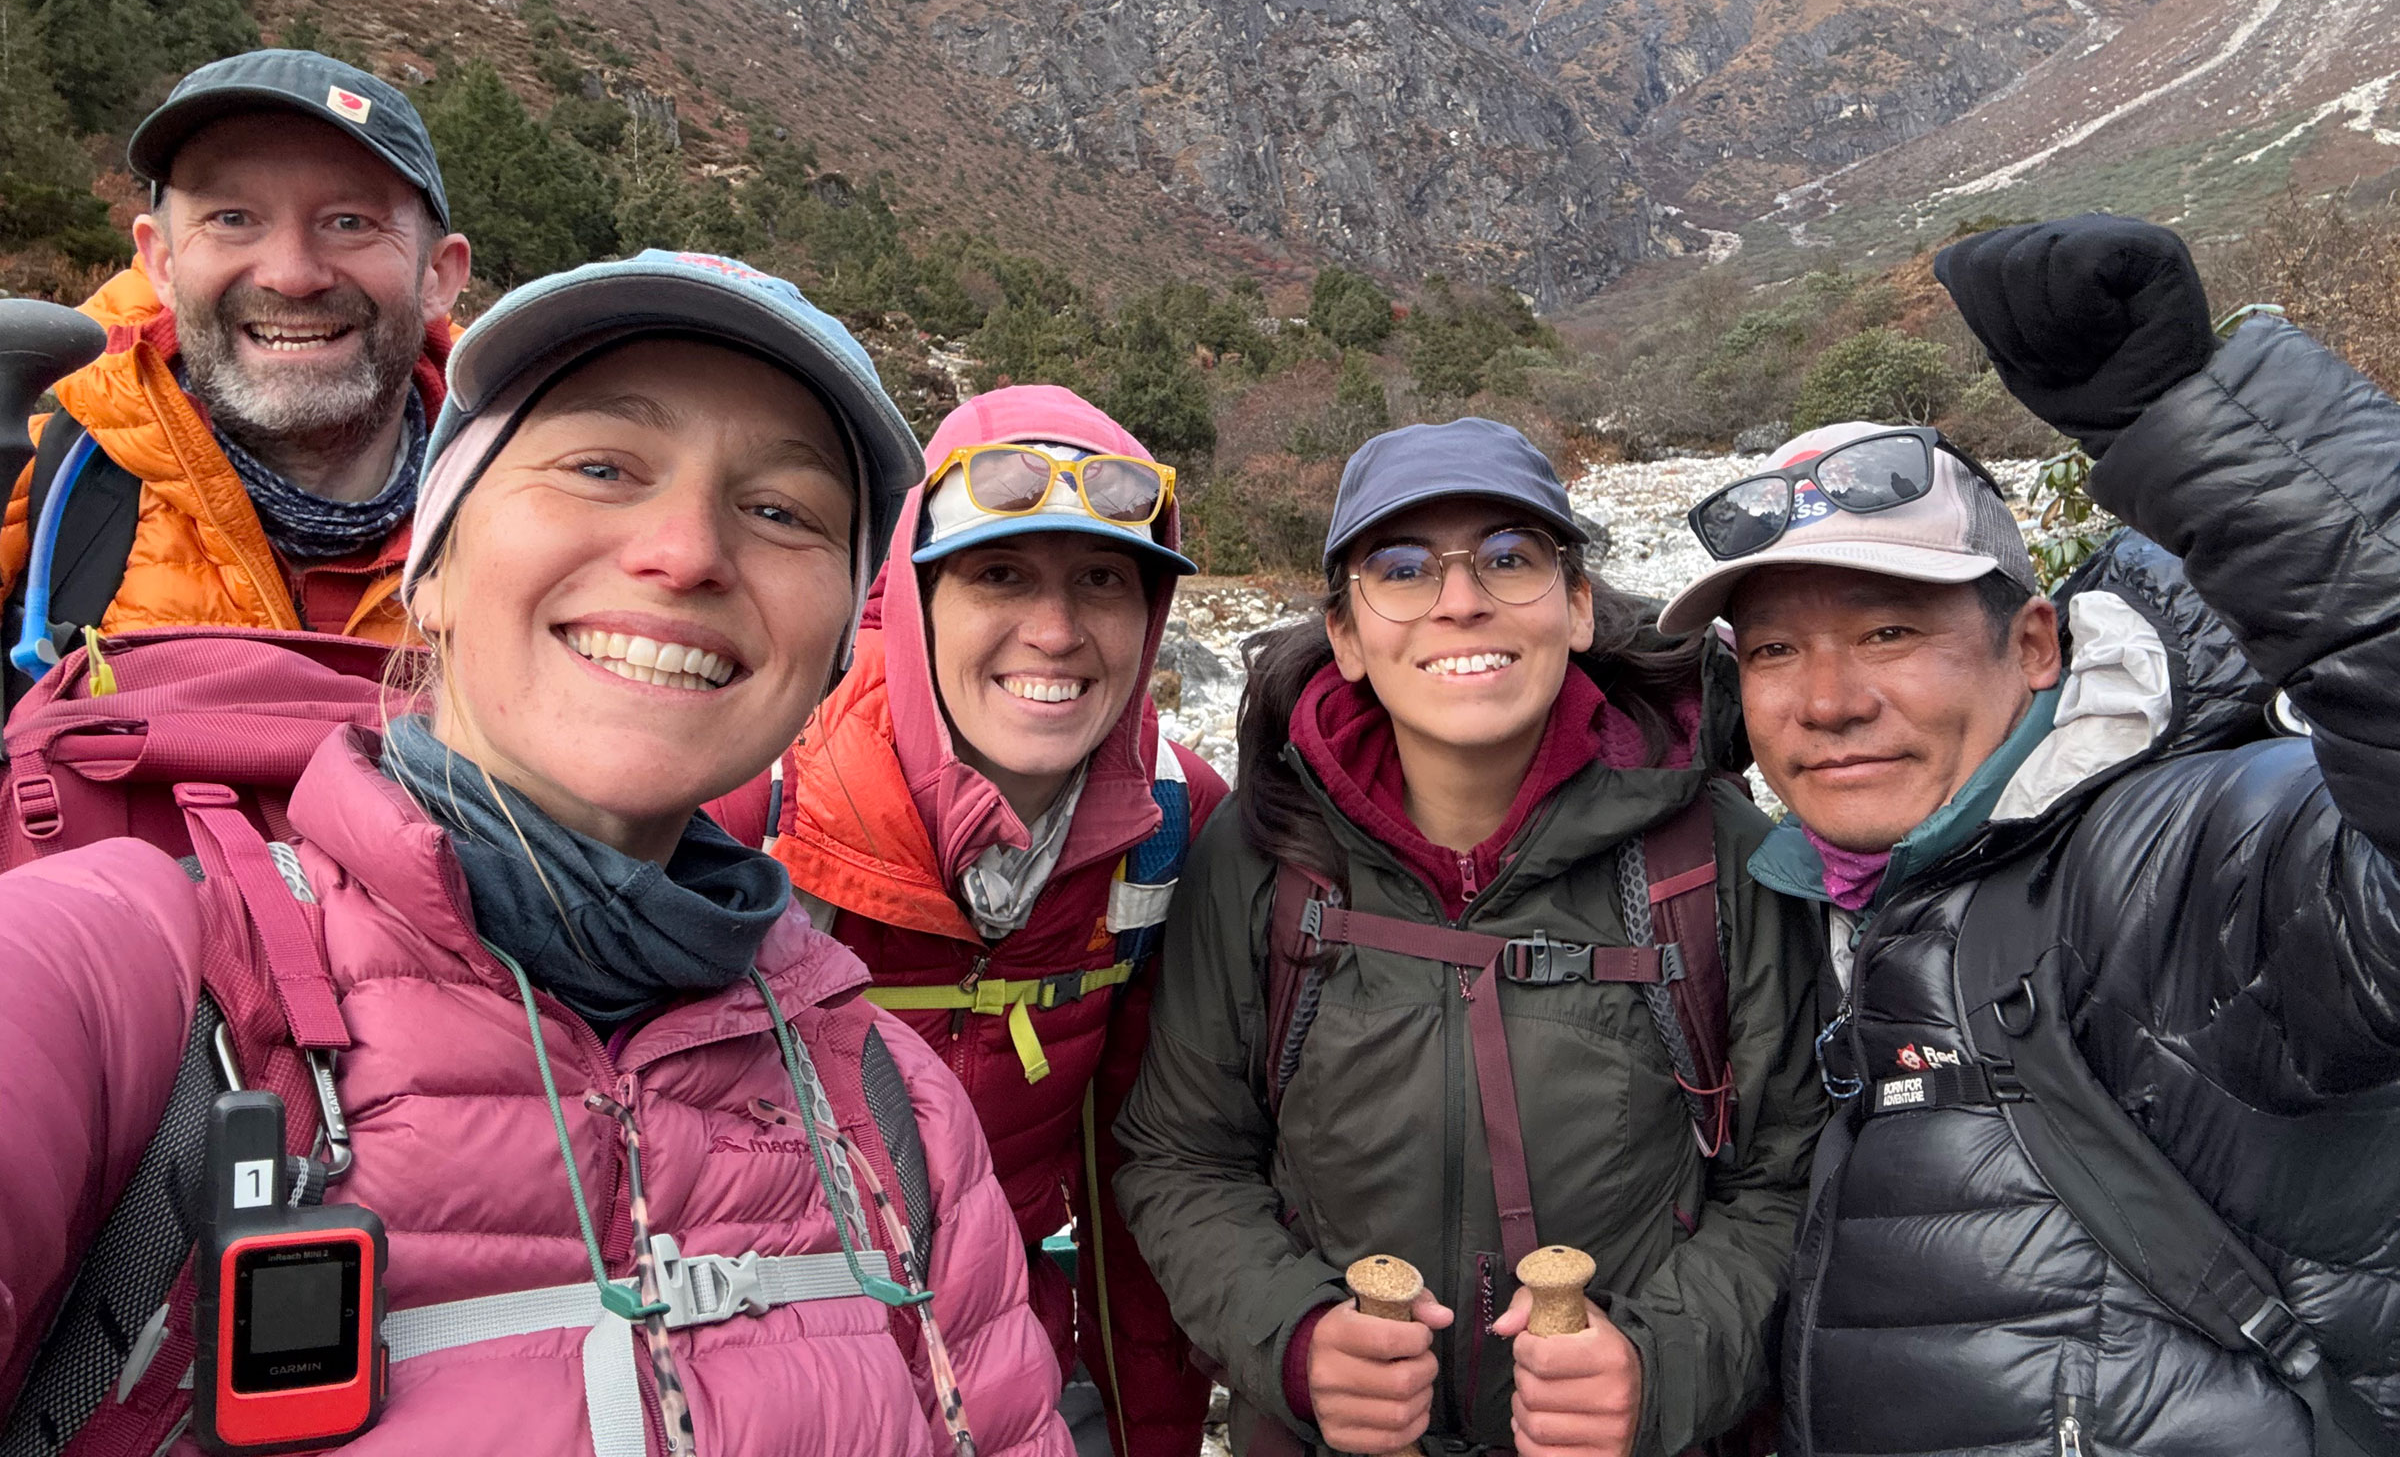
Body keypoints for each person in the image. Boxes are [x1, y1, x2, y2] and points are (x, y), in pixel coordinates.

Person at [0, 250, 1074, 1457]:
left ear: (834, 653)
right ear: (435, 567)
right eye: (601, 467)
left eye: (783, 511)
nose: (687, 551)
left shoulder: (895, 1109)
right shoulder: (123, 979)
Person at [1659, 215, 2400, 1455]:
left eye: (1890, 631)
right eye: (1778, 649)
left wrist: (2198, 420)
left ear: (2039, 644)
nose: (1827, 702)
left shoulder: (2174, 864)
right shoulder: (1833, 900)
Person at [1115, 418, 1825, 1457]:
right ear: (1347, 635)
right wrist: (1298, 1343)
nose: (1460, 600)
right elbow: (1180, 1156)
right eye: (1402, 568)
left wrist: (1657, 1364)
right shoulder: (1269, 856)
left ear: (1576, 607)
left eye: (1509, 557)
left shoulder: (1709, 859)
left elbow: (1789, 1183)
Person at [764, 385, 1226, 1457]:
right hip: (778, 1386)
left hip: (1009, 1368)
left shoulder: (1172, 821)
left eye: (1102, 579)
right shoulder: (768, 802)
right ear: (913, 599)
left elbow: (1133, 1185)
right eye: (1001, 574)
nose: (1056, 633)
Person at [0, 49, 471, 684]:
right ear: (162, 264)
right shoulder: (28, 490)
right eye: (231, 219)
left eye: (349, 221)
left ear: (438, 276)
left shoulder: (541, 531)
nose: (290, 275)